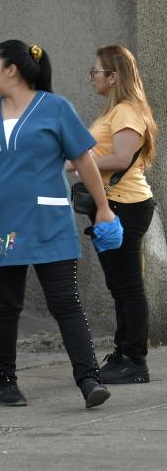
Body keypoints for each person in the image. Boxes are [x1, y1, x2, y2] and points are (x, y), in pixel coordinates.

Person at [0, 40, 115, 409]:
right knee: (6, 304)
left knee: (66, 301)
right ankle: (6, 382)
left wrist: (103, 206)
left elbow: (85, 161)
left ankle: (89, 379)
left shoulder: (56, 108)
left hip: (48, 222)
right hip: (0, 227)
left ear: (12, 69)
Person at [77, 44, 158, 384]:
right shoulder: (116, 111)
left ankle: (135, 361)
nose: (92, 77)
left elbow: (121, 159)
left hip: (126, 204)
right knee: (119, 286)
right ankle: (124, 352)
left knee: (127, 285)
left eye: (96, 71)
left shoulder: (126, 110)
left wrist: (74, 164)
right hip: (113, 204)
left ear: (113, 76)